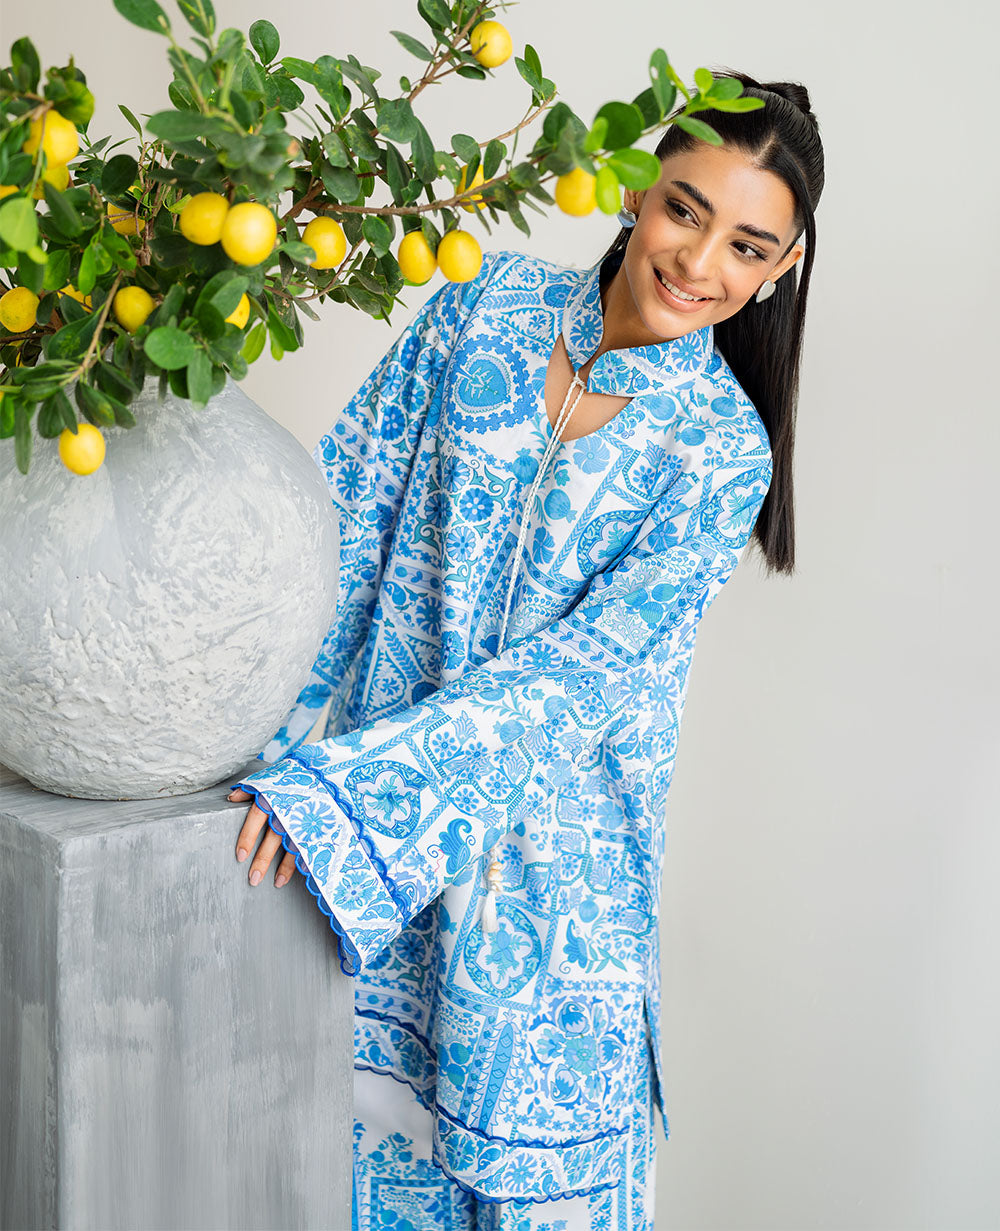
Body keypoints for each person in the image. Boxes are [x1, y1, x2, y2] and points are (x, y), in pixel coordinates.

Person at [228, 70, 824, 1230]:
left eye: (747, 247)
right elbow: (337, 525)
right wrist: (243, 747)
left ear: (780, 268)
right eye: (685, 209)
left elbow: (576, 682)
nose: (699, 262)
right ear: (636, 188)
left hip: (553, 927)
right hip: (365, 901)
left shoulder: (719, 454)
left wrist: (343, 796)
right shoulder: (479, 308)